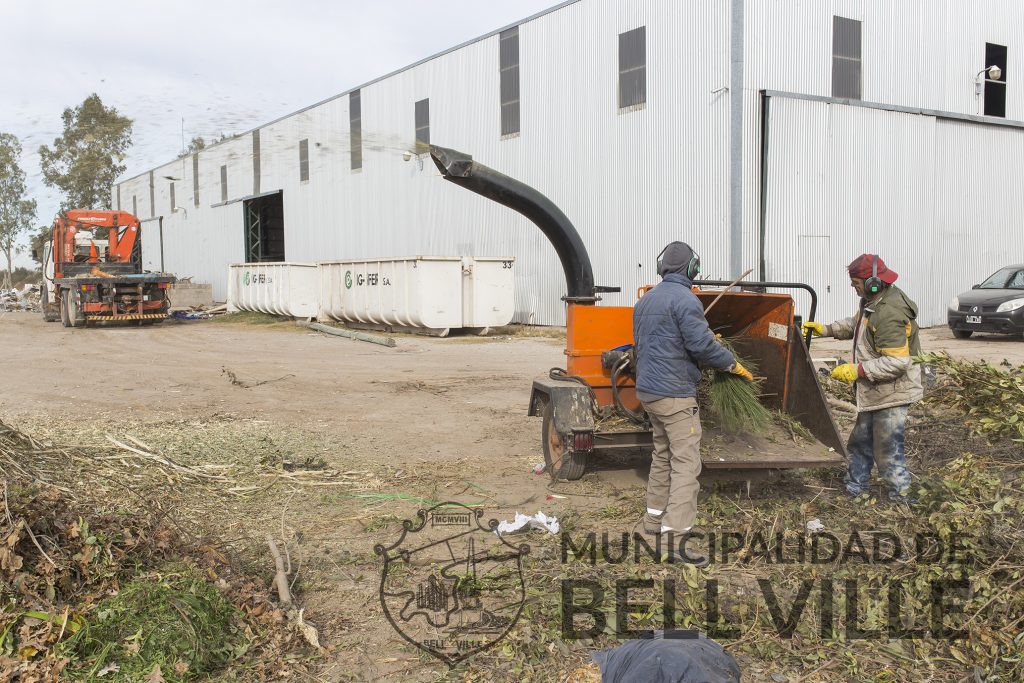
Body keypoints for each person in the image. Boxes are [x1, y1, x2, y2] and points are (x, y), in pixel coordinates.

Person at [633, 241, 753, 560]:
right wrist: (731, 363)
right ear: (692, 269)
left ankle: (653, 520)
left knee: (662, 454)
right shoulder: (686, 299)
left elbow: (660, 341)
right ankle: (675, 542)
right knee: (686, 463)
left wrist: (701, 339)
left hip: (648, 392)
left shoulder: (645, 301)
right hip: (674, 394)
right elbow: (700, 346)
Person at [802, 253, 922, 503]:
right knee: (860, 442)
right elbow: (857, 324)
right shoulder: (873, 301)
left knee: (887, 450)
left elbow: (898, 362)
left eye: (855, 282)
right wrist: (827, 329)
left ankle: (902, 499)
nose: (852, 287)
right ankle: (855, 487)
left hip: (893, 392)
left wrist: (857, 370)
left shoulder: (889, 312)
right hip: (875, 390)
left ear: (872, 282)